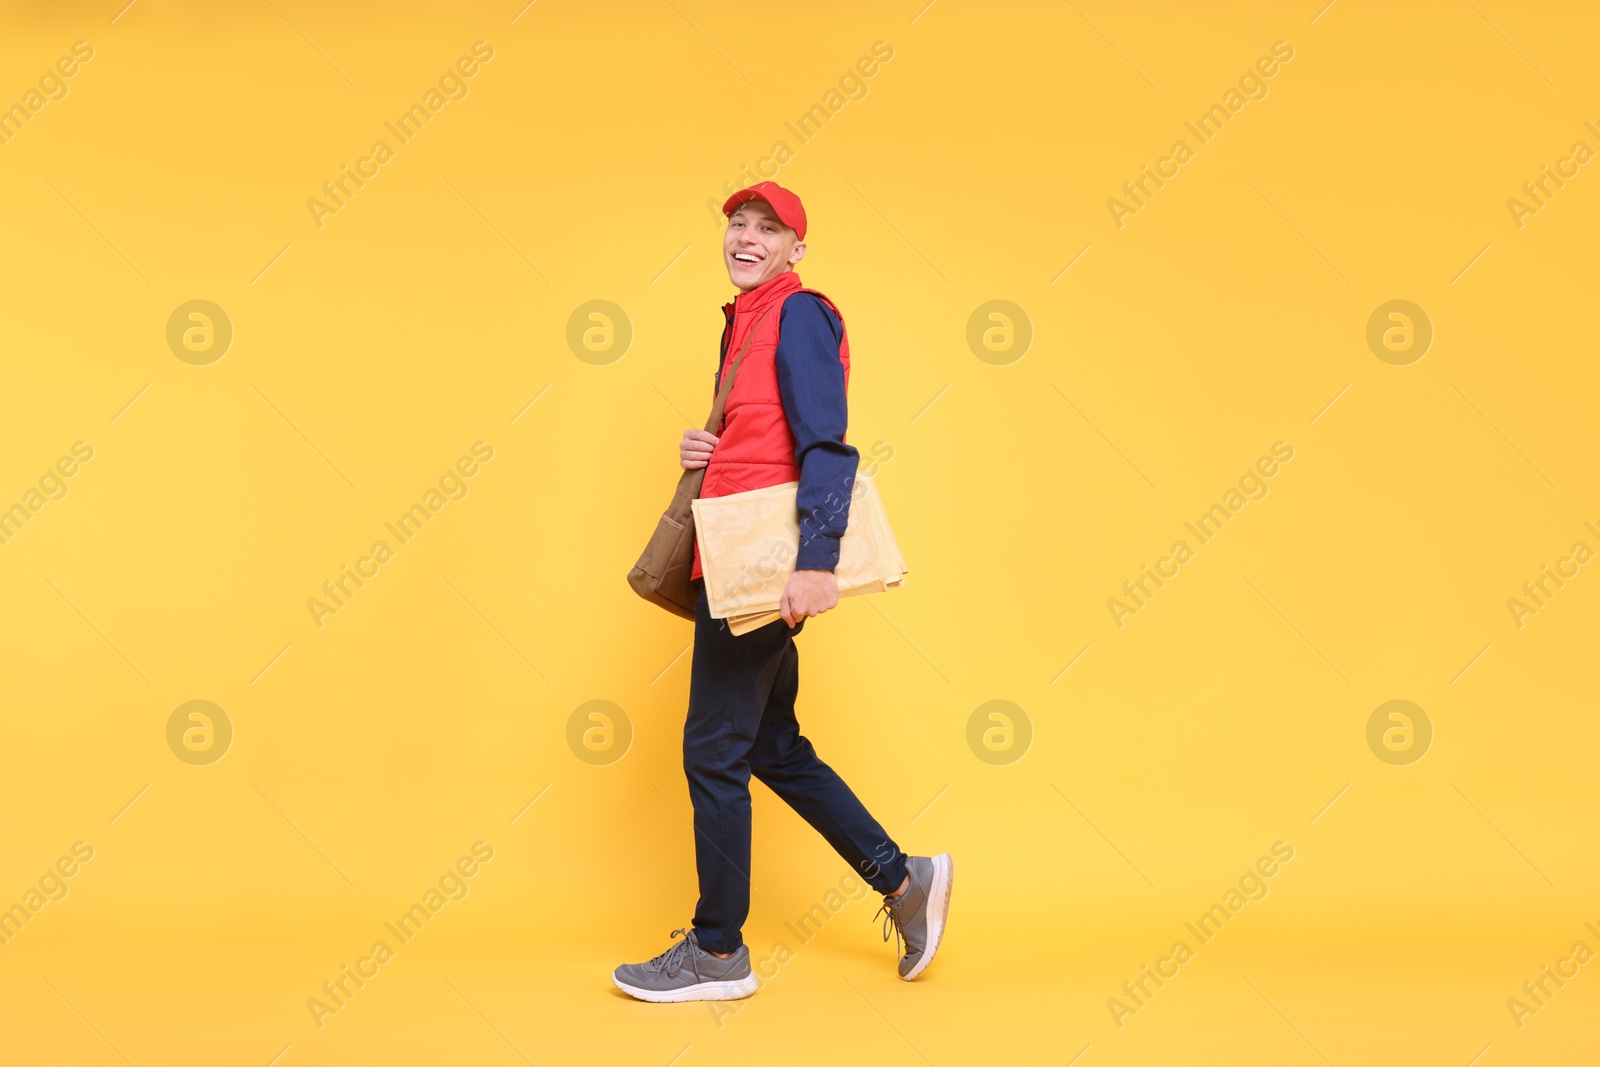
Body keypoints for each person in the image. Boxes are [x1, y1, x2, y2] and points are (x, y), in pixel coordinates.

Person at [612, 181, 953, 1003]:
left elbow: (827, 445)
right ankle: (905, 881)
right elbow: (765, 432)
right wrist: (713, 438)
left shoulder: (798, 314)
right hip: (739, 561)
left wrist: (817, 560)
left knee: (711, 749)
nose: (748, 238)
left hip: (766, 567)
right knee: (768, 745)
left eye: (770, 229)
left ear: (796, 249)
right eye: (739, 223)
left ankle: (719, 950)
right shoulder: (746, 322)